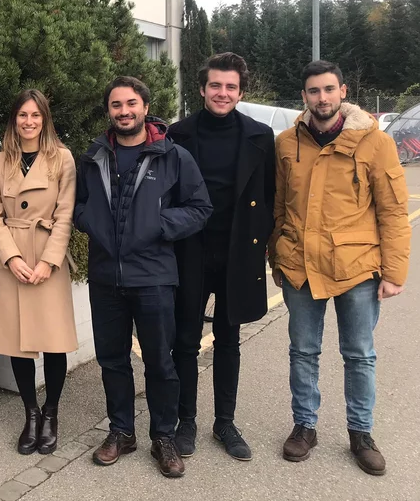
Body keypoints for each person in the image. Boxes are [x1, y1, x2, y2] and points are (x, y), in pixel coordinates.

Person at [269, 60, 410, 476]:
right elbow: (280, 205)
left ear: (343, 92)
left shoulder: (374, 142)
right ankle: (305, 426)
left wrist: (394, 272)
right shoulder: (286, 143)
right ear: (304, 97)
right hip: (300, 266)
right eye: (314, 91)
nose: (322, 98)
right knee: (303, 351)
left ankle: (361, 433)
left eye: (329, 90)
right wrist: (276, 256)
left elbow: (393, 210)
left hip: (357, 267)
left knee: (359, 354)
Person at [74, 76, 211, 478]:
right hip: (105, 277)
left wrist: (159, 223)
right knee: (113, 360)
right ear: (109, 111)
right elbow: (79, 204)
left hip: (153, 277)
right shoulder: (95, 156)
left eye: (131, 103)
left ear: (145, 107)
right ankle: (121, 431)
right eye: (116, 105)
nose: (124, 111)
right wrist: (89, 221)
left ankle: (163, 436)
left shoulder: (173, 156)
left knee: (159, 363)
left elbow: (200, 207)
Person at [168, 53, 275, 462]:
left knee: (230, 340)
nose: (222, 93)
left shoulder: (260, 136)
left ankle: (225, 423)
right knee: (185, 342)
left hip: (237, 255)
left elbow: (269, 196)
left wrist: (262, 241)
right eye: (215, 85)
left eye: (231, 87)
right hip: (190, 251)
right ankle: (187, 422)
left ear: (240, 91)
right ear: (202, 88)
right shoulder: (178, 134)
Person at [0, 89, 77, 456]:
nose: (28, 121)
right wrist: (11, 258)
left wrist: (47, 261)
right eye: (22, 115)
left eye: (35, 115)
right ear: (14, 119)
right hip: (14, 260)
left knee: (53, 342)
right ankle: (31, 414)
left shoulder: (62, 159)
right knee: (18, 343)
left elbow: (66, 214)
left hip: (47, 259)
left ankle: (51, 413)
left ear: (45, 119)